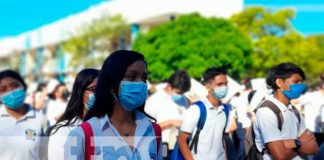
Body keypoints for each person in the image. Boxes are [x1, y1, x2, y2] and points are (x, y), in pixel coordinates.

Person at [64, 50, 162, 160]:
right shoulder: (84, 134)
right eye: (132, 77)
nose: (141, 83)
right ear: (111, 84)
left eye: (143, 78)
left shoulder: (153, 131)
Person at [253, 62, 319, 160]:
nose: (300, 86)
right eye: (296, 81)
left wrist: (290, 143)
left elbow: (313, 148)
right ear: (279, 83)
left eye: (301, 82)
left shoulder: (294, 110)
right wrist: (299, 143)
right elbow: (279, 156)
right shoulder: (267, 111)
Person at [178, 67, 236, 159]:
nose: (224, 87)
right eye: (219, 84)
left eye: (226, 84)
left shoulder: (226, 109)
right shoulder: (196, 109)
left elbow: (222, 139)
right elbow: (182, 140)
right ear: (207, 86)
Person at [47, 68, 99, 160]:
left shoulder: (112, 126)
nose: (99, 94)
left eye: (103, 89)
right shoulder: (64, 130)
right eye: (94, 89)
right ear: (80, 92)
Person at [0, 70, 49, 160]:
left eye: (15, 85)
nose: (10, 92)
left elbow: (45, 155)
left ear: (24, 86)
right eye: (3, 89)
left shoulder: (41, 120)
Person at [145, 69, 191, 158]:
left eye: (182, 93)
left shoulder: (183, 100)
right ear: (169, 86)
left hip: (180, 145)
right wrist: (171, 122)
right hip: (163, 145)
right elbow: (148, 129)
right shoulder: (154, 100)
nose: (180, 95)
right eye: (178, 92)